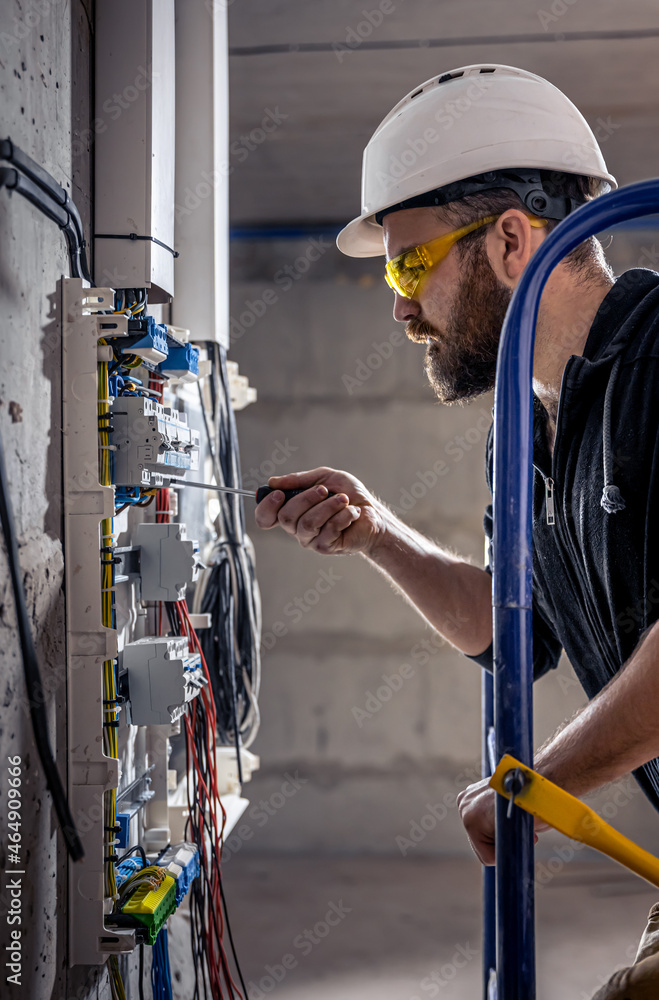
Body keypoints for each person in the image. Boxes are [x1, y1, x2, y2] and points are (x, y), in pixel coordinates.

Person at [254, 64, 659, 997]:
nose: (400, 308)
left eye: (408, 265)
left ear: (511, 241)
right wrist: (379, 535)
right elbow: (512, 627)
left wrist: (533, 786)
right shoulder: (524, 424)